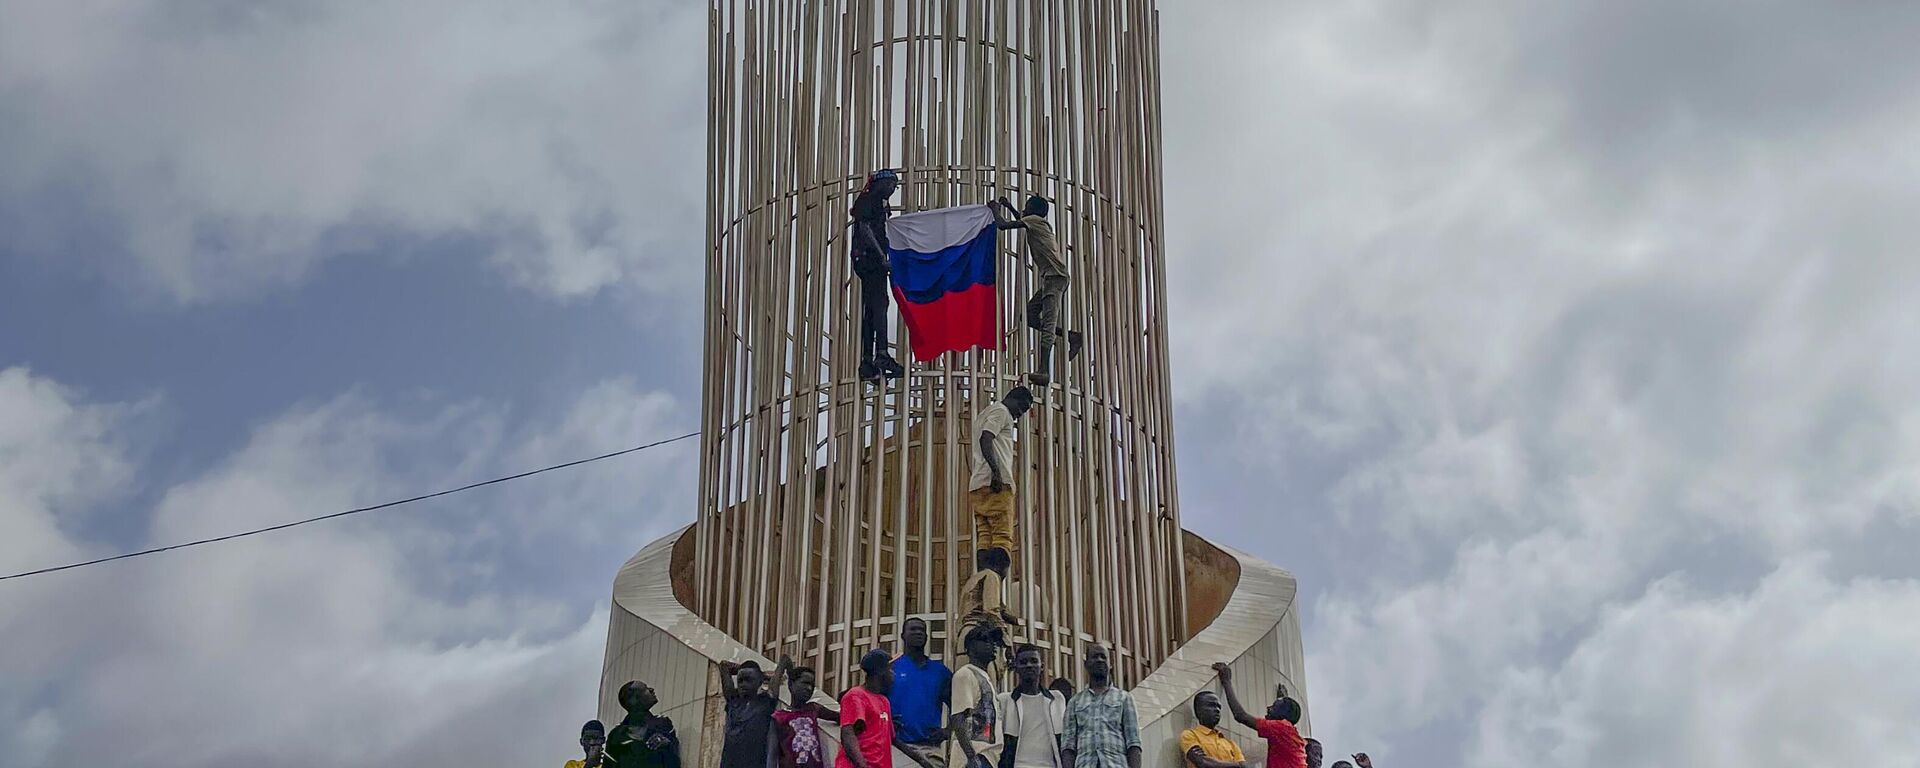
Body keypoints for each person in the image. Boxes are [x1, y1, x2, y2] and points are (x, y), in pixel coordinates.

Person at [960, 386, 1035, 631]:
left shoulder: (986, 412)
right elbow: (986, 438)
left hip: (977, 485)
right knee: (1003, 541)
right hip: (997, 483)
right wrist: (996, 471)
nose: (1019, 415)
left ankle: (983, 598)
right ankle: (995, 603)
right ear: (1013, 399)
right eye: (1021, 408)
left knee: (985, 541)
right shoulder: (1001, 411)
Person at [989, 194, 1082, 388]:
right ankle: (1071, 336)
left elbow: (1003, 226)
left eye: (1027, 205)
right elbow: (1020, 220)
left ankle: (1044, 371)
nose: (1024, 208)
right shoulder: (1036, 222)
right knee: (1030, 316)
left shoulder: (1034, 221)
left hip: (1055, 278)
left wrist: (995, 210)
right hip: (1054, 277)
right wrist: (1010, 206)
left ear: (1033, 209)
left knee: (1048, 323)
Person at [851, 169, 905, 382]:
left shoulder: (878, 202)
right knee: (880, 304)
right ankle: (881, 353)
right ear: (880, 184)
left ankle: (867, 361)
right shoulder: (869, 199)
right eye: (891, 184)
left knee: (872, 309)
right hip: (869, 260)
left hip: (869, 260)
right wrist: (882, 256)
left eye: (895, 185)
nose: (892, 189)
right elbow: (864, 228)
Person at [1060, 644, 1141, 768]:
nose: (1099, 660)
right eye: (1095, 657)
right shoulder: (1074, 702)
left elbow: (1133, 743)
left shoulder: (1124, 698)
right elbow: (1068, 746)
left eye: (1103, 657)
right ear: (1086, 664)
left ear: (1110, 665)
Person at [1211, 664, 1304, 768]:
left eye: (1273, 707)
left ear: (1282, 717)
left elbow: (1240, 716)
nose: (1268, 708)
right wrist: (1282, 699)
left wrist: (1226, 681)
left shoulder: (1282, 728)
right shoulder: (1288, 733)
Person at [890, 617, 951, 768]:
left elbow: (960, 707)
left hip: (929, 749)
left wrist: (947, 731)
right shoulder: (890, 669)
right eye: (913, 629)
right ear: (902, 635)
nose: (918, 633)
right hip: (895, 747)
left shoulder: (940, 672)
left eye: (922, 630)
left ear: (927, 637)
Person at [948, 623, 1007, 768]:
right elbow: (958, 718)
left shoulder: (985, 677)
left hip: (988, 756)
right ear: (970, 647)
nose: (992, 645)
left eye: (994, 641)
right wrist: (971, 757)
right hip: (975, 756)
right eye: (986, 640)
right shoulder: (966, 674)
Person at [998, 644, 1066, 768]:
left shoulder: (1057, 699)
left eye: (1034, 661)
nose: (1029, 665)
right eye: (1023, 662)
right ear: (1016, 667)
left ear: (1042, 667)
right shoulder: (1005, 701)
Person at [720, 659, 787, 768]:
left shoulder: (766, 701)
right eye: (740, 681)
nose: (743, 684)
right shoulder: (733, 701)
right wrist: (762, 674)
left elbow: (783, 662)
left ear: (759, 682)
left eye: (748, 680)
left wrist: (763, 675)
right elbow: (724, 666)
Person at [840, 649, 900, 768]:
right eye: (890, 669)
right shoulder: (855, 696)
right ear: (880, 672)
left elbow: (892, 739)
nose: (894, 673)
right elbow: (848, 734)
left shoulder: (884, 701)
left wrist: (921, 759)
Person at [775, 663, 842, 768]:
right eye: (805, 683)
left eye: (812, 685)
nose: (809, 688)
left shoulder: (813, 708)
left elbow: (839, 717)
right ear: (791, 685)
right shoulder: (779, 717)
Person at [608, 680, 682, 768]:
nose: (651, 689)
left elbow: (674, 760)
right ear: (634, 700)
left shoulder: (663, 724)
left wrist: (667, 743)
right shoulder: (616, 735)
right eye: (645, 689)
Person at [1179, 692, 1245, 768]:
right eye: (1211, 705)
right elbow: (1202, 762)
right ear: (1198, 710)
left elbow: (1243, 766)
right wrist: (1236, 766)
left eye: (1219, 707)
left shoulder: (1231, 743)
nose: (1217, 710)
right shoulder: (1190, 735)